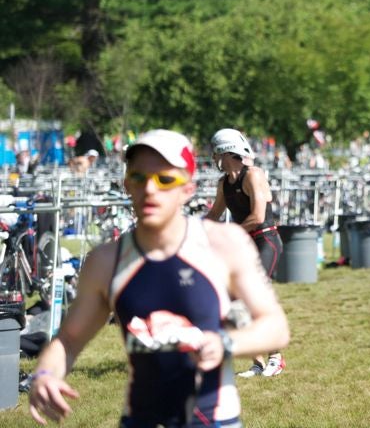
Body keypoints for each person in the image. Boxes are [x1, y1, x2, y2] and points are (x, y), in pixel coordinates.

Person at [28, 129, 289, 427]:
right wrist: (45, 374)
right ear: (127, 185)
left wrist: (225, 344)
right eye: (139, 177)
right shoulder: (105, 262)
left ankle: (264, 363)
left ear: (187, 188)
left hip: (213, 419)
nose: (150, 189)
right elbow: (69, 340)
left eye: (165, 179)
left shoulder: (226, 244)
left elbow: (276, 327)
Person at [205, 128, 286, 378]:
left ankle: (276, 358)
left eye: (216, 154)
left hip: (266, 240)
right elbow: (214, 215)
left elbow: (258, 217)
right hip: (243, 243)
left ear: (225, 152)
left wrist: (231, 234)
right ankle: (258, 362)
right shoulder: (224, 183)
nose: (214, 159)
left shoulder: (253, 175)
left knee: (255, 297)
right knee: (237, 302)